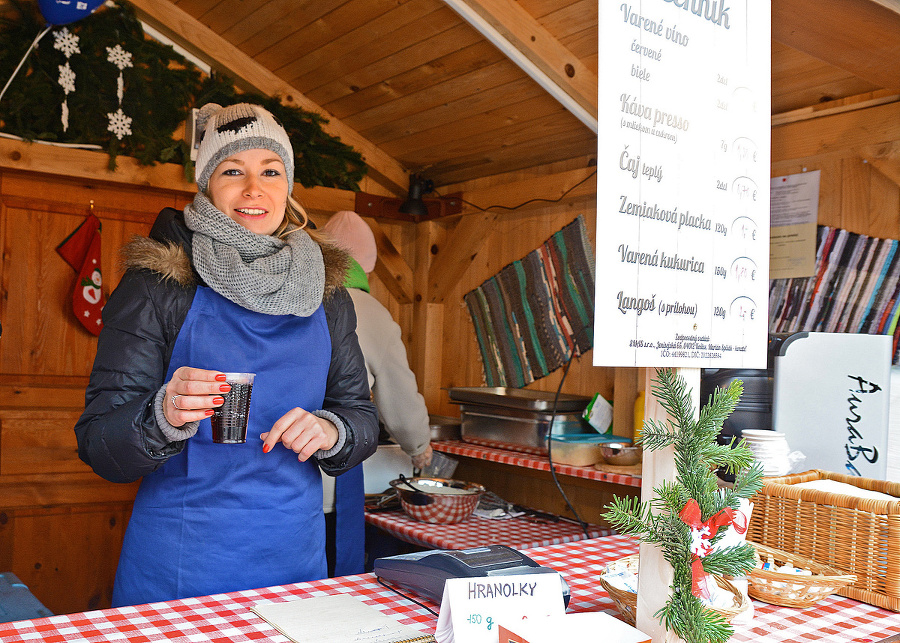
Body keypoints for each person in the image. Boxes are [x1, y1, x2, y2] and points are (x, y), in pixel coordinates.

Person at [73, 103, 379, 607]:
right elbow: (97, 441)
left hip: (294, 563)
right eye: (233, 170)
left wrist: (333, 430)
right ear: (207, 185)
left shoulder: (327, 292)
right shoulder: (158, 285)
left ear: (288, 186)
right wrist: (162, 416)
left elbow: (360, 416)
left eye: (271, 171)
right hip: (181, 563)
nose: (254, 189)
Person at [319, 211, 433, 576]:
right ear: (366, 266)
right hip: (332, 469)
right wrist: (419, 447)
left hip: (274, 478)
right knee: (336, 576)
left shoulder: (297, 296)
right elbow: (399, 396)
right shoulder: (370, 310)